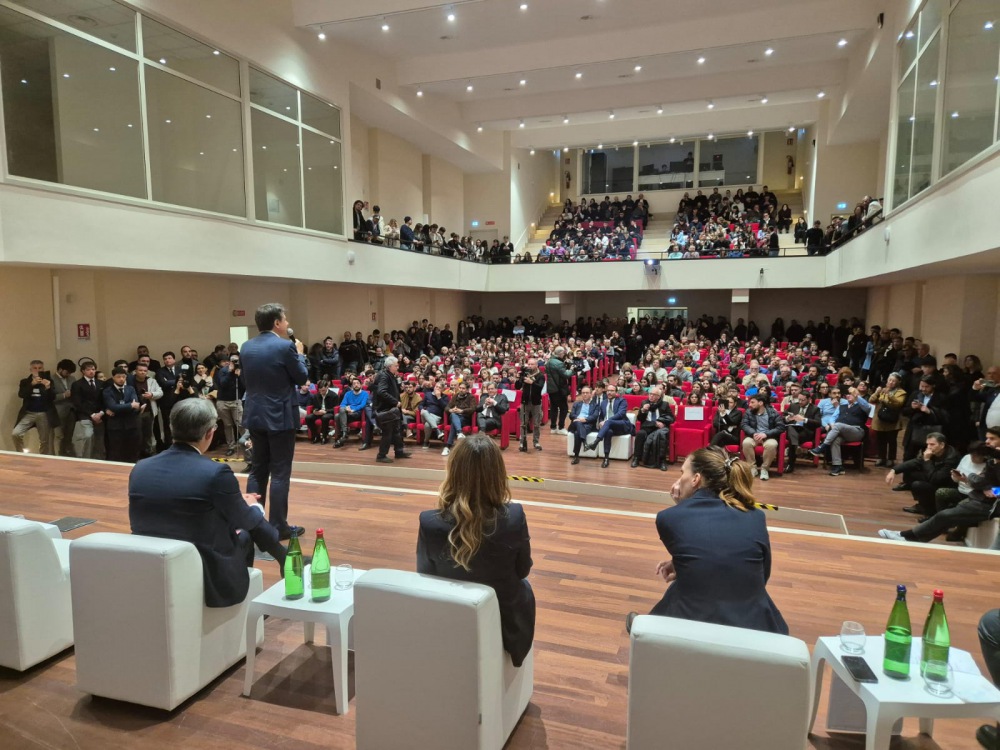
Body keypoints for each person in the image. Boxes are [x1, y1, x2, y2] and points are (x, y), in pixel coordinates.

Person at [129, 399, 288, 608]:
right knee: (245, 532)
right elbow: (245, 519)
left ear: (171, 427)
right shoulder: (215, 472)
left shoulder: (140, 468)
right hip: (201, 568)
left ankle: (283, 557)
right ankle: (245, 603)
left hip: (149, 563)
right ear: (210, 433)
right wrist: (251, 505)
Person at [626, 447, 787, 635]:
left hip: (694, 627)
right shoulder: (756, 516)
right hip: (756, 624)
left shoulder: (668, 518)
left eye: (682, 473)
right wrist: (679, 563)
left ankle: (647, 631)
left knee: (679, 591)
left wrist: (682, 506)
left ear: (696, 479)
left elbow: (695, 541)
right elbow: (762, 576)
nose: (679, 479)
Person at [416, 433, 534, 667]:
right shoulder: (514, 516)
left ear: (453, 471)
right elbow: (523, 570)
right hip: (504, 621)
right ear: (498, 473)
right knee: (525, 586)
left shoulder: (429, 522)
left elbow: (425, 576)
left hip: (450, 619)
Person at [240, 302, 308, 540]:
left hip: (254, 413)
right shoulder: (286, 346)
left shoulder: (246, 347)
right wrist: (300, 354)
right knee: (279, 472)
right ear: (277, 323)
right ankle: (278, 527)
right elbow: (301, 377)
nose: (287, 323)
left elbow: (246, 380)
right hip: (279, 415)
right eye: (285, 319)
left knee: (258, 469)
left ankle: (253, 523)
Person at [879, 443, 1000, 544]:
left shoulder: (991, 464)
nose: (988, 441)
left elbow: (979, 481)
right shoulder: (992, 462)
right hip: (977, 497)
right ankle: (910, 537)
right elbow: (980, 481)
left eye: (992, 439)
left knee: (945, 515)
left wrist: (991, 488)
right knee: (944, 516)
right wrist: (982, 482)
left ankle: (908, 536)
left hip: (987, 504)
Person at [884, 432, 961, 517]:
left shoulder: (951, 458)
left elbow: (936, 479)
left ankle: (930, 512)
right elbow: (916, 462)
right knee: (910, 473)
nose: (929, 447)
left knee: (918, 485)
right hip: (933, 477)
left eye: (932, 444)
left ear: (942, 445)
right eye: (928, 444)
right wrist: (894, 470)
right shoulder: (934, 452)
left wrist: (927, 460)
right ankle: (923, 505)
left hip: (946, 485)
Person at [808, 387, 869, 476]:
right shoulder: (841, 406)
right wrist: (832, 425)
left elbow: (867, 407)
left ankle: (822, 446)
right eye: (848, 394)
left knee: (838, 425)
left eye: (851, 394)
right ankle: (838, 466)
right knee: (835, 439)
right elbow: (833, 418)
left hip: (857, 432)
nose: (849, 396)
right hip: (842, 433)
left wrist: (857, 396)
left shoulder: (862, 406)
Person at [372, 356, 411, 463]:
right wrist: (395, 401)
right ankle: (381, 455)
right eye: (396, 365)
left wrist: (399, 388)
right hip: (386, 409)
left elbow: (391, 390)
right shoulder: (384, 376)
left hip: (392, 409)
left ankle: (399, 451)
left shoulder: (391, 375)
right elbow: (381, 392)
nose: (398, 367)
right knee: (388, 433)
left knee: (397, 431)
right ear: (390, 366)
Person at [12, 359, 55, 454]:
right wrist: (32, 384)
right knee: (16, 433)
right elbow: (21, 394)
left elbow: (52, 398)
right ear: (31, 370)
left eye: (40, 368)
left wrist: (48, 387)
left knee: (44, 440)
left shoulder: (49, 381)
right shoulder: (25, 382)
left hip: (43, 413)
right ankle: (21, 454)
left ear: (43, 369)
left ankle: (43, 458)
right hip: (29, 413)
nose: (37, 370)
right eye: (35, 368)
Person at [586, 383, 632, 468]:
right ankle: (606, 458)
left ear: (616, 392)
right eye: (608, 391)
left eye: (612, 391)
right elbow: (601, 416)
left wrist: (606, 421)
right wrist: (601, 422)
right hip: (609, 427)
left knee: (608, 422)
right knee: (608, 432)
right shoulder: (603, 402)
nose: (609, 392)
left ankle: (596, 442)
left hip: (621, 425)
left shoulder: (622, 401)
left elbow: (620, 414)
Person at [102, 366, 143, 463]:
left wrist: (124, 407)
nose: (121, 379)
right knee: (116, 452)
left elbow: (136, 405)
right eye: (118, 377)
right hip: (116, 426)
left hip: (131, 424)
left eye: (123, 377)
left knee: (132, 451)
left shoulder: (130, 389)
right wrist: (130, 405)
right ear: (113, 377)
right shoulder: (107, 391)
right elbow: (113, 407)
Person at [740, 394, 785, 481]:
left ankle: (764, 469)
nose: (750, 404)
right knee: (746, 443)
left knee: (772, 445)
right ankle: (752, 468)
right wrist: (753, 433)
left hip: (768, 436)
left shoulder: (773, 413)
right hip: (754, 435)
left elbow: (781, 427)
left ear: (760, 403)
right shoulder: (748, 412)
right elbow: (744, 425)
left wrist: (766, 434)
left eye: (752, 402)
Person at [631, 386, 674, 470]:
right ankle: (636, 458)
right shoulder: (644, 403)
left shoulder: (664, 404)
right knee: (640, 434)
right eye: (650, 394)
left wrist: (661, 422)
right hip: (647, 426)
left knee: (662, 435)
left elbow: (671, 418)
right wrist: (643, 410)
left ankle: (662, 461)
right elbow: (640, 419)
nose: (651, 396)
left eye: (654, 395)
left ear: (658, 396)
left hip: (660, 428)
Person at [870, 373, 907, 466]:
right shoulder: (882, 390)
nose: (891, 382)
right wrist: (876, 392)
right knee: (880, 440)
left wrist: (889, 395)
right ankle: (881, 457)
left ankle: (891, 458)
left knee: (891, 440)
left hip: (892, 419)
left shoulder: (901, 392)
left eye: (893, 381)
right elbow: (871, 400)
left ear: (898, 382)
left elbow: (898, 403)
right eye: (890, 380)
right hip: (880, 419)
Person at [70, 361, 105, 459]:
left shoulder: (101, 383)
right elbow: (77, 403)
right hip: (85, 414)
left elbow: (105, 400)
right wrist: (92, 414)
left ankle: (99, 459)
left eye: (93, 369)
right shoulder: (77, 384)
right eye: (88, 370)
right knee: (87, 436)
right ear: (83, 371)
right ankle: (86, 459)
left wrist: (101, 413)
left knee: (99, 439)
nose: (91, 371)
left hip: (100, 415)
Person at [783, 390, 821, 473]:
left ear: (809, 399)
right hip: (792, 429)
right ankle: (796, 447)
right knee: (790, 429)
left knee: (792, 438)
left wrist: (804, 419)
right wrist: (788, 418)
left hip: (805, 431)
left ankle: (790, 464)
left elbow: (818, 423)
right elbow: (782, 417)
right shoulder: (793, 406)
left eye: (802, 400)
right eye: (799, 399)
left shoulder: (815, 409)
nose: (800, 402)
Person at [516, 357, 545, 452]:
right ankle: (522, 442)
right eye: (528, 364)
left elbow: (540, 387)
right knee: (523, 424)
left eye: (532, 364)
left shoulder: (540, 375)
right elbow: (517, 386)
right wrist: (518, 378)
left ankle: (536, 442)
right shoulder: (524, 374)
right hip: (525, 402)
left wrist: (532, 382)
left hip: (536, 402)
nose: (529, 366)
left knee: (536, 424)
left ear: (536, 365)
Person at [443, 380, 476, 457]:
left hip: (465, 418)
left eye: (463, 388)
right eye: (460, 388)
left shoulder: (471, 397)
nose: (461, 390)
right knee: (453, 414)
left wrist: (462, 411)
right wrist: (450, 410)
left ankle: (448, 446)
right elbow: (447, 407)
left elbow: (473, 409)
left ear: (467, 390)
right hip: (455, 416)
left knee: (453, 424)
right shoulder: (455, 396)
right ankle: (459, 432)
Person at [335, 377, 369, 448]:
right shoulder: (348, 394)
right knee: (338, 414)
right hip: (347, 413)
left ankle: (342, 435)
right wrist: (347, 408)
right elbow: (342, 404)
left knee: (338, 416)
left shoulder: (365, 393)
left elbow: (362, 405)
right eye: (354, 384)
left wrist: (353, 409)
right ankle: (344, 434)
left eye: (357, 383)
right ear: (352, 386)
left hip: (357, 413)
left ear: (361, 385)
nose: (356, 385)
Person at [568, 386, 599, 465]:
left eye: (587, 393)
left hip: (587, 425)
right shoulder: (576, 404)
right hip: (575, 424)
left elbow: (595, 416)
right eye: (583, 393)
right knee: (578, 423)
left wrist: (585, 419)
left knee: (577, 433)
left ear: (590, 394)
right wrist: (579, 419)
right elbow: (571, 415)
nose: (585, 394)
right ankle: (585, 443)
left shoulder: (595, 405)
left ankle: (576, 456)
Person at [546, 346, 571, 434]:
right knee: (564, 408)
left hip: (551, 388)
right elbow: (566, 375)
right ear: (560, 353)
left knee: (554, 408)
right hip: (559, 389)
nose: (564, 354)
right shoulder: (559, 363)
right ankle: (561, 427)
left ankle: (553, 427)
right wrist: (572, 370)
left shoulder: (549, 361)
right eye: (563, 353)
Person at [307, 380, 339, 444]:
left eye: (323, 390)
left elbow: (336, 408)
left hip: (329, 413)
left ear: (327, 387)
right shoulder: (316, 395)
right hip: (319, 412)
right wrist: (315, 411)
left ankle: (324, 436)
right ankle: (316, 435)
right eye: (320, 390)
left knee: (325, 417)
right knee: (308, 418)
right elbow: (314, 406)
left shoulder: (334, 395)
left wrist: (326, 411)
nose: (321, 392)